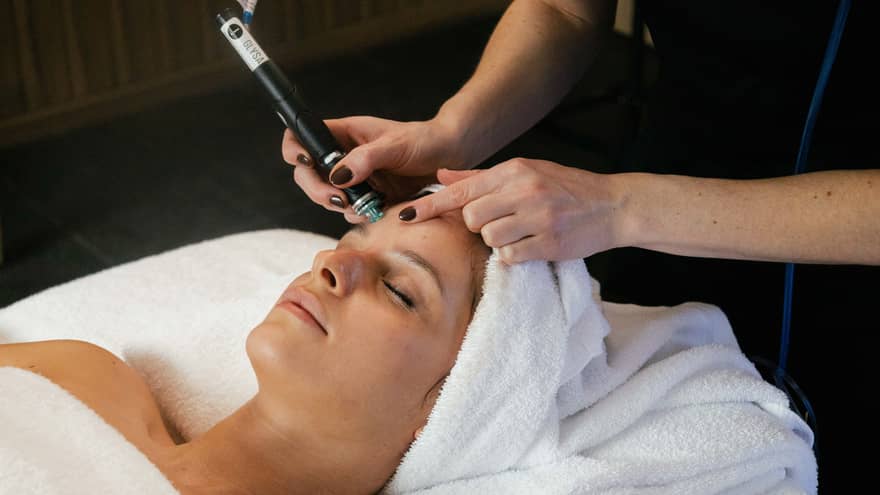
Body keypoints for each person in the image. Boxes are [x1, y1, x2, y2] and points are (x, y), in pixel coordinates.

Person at [281, 0, 879, 266]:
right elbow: (565, 8)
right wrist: (453, 133)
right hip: (680, 164)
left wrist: (624, 208)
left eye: (404, 292)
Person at [0, 203, 491, 494]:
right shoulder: (82, 378)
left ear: (458, 409)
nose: (331, 262)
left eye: (399, 290)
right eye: (347, 241)